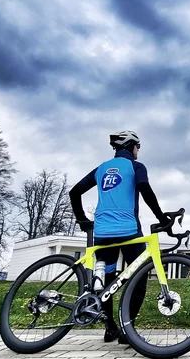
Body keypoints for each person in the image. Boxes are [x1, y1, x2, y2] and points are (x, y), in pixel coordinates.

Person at [69, 130, 168, 343]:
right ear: (131, 146)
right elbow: (144, 188)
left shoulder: (101, 168)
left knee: (106, 280)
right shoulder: (136, 167)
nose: (138, 150)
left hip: (102, 233)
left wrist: (82, 219)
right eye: (138, 146)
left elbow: (74, 192)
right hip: (129, 231)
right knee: (139, 277)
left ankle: (110, 328)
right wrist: (161, 217)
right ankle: (126, 330)